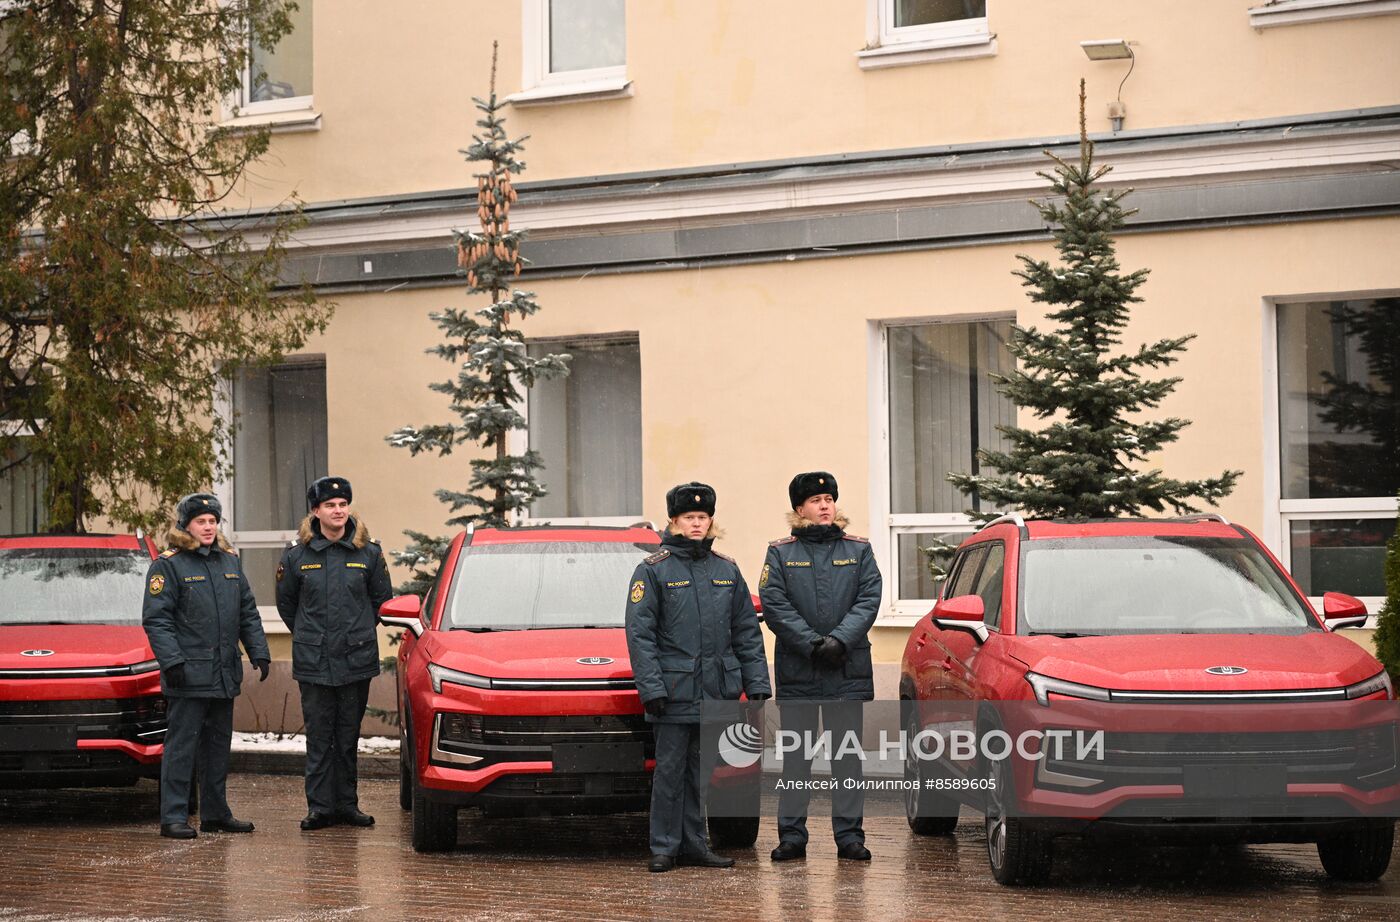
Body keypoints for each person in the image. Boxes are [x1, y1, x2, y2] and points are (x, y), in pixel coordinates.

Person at [626, 482, 771, 872]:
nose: (696, 523)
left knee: (701, 772)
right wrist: (651, 688)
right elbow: (640, 635)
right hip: (673, 691)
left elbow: (745, 631)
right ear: (674, 521)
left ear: (710, 521)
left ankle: (694, 844)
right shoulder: (653, 570)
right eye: (689, 517)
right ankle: (664, 846)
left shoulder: (726, 569)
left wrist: (757, 682)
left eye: (702, 517)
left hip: (715, 691)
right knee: (670, 773)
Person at [759, 471, 882, 862]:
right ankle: (792, 836)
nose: (825, 504)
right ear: (800, 509)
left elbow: (869, 597)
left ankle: (849, 837)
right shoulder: (780, 552)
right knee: (797, 757)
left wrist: (840, 640)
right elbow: (774, 603)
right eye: (815, 500)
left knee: (847, 757)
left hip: (846, 668)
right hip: (801, 669)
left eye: (829, 498)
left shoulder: (859, 550)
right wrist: (813, 644)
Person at [142, 492, 271, 839]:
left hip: (223, 672)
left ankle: (215, 813)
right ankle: (173, 816)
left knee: (217, 747)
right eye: (202, 521)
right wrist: (171, 661)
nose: (209, 527)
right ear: (187, 525)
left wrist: (259, 650)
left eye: (213, 521)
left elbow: (247, 611)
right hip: (187, 673)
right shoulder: (168, 565)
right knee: (181, 748)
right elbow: (157, 620)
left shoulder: (229, 562)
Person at [276, 476, 393, 830]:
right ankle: (319, 808)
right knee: (319, 737)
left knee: (347, 735)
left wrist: (355, 633)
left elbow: (381, 603)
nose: (338, 510)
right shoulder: (298, 555)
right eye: (330, 505)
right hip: (314, 662)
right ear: (316, 511)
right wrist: (313, 636)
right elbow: (287, 605)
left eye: (343, 505)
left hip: (355, 660)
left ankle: (347, 805)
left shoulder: (368, 553)